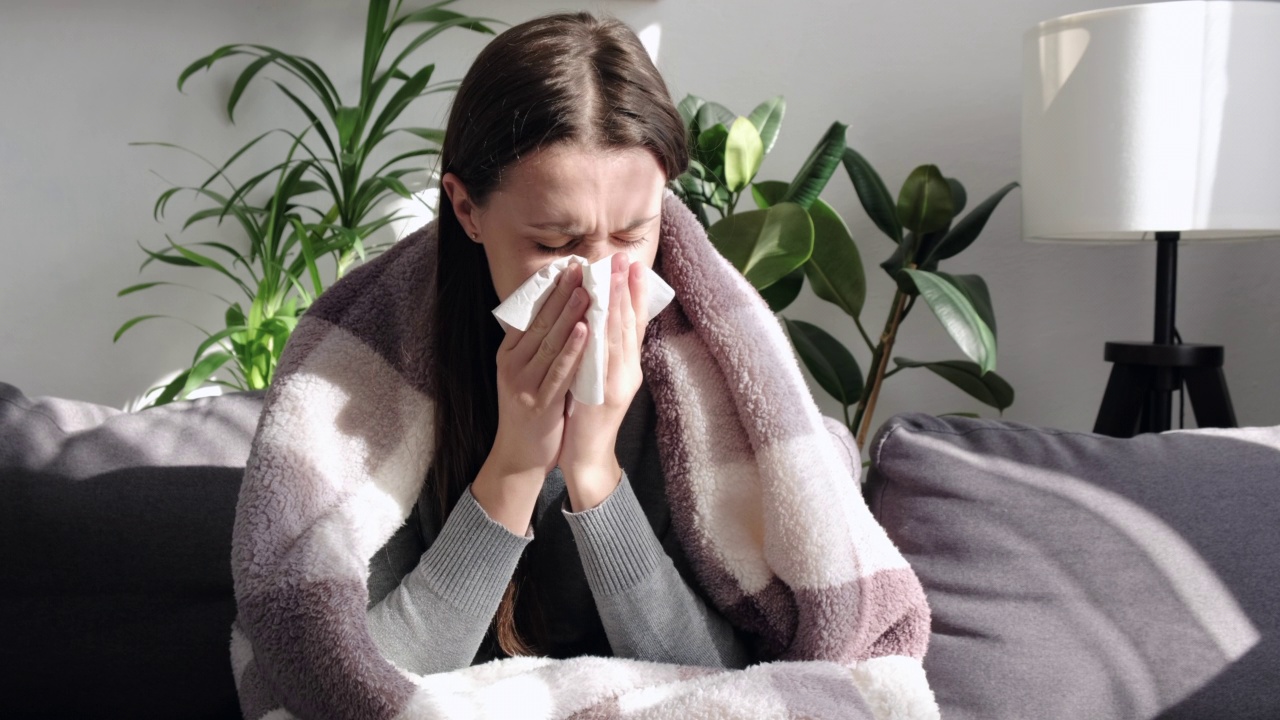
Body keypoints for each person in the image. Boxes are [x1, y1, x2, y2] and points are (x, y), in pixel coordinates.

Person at [362, 11, 754, 673]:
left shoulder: (707, 365)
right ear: (467, 211)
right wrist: (515, 464)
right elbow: (355, 679)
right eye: (555, 244)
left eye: (633, 236)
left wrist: (595, 470)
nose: (598, 277)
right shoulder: (383, 362)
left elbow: (727, 682)